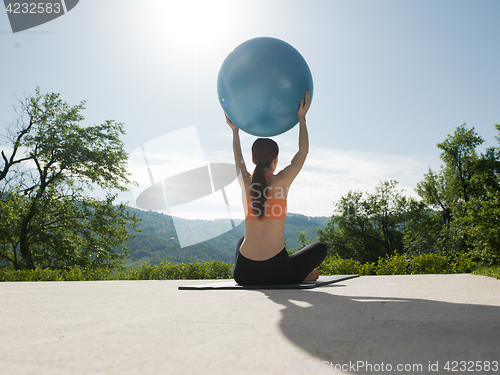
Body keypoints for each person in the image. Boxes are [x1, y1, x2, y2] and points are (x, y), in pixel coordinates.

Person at [226, 91, 327, 285]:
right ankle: (298, 273)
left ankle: (295, 272)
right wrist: (302, 118)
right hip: (277, 270)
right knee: (320, 248)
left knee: (242, 240)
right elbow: (303, 151)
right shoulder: (282, 181)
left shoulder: (246, 182)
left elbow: (238, 159)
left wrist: (234, 131)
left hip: (244, 274)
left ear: (254, 160)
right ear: (276, 160)